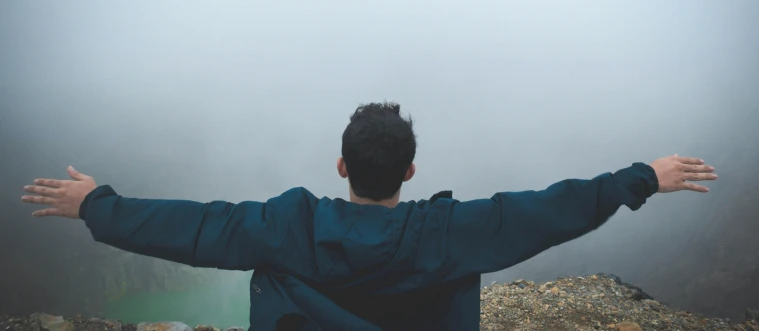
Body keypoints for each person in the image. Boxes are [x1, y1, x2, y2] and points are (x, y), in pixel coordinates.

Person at [21, 102, 717, 331]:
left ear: (341, 165)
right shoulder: (451, 232)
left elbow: (195, 227)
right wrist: (641, 179)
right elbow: (549, 211)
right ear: (411, 172)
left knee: (257, 260)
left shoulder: (285, 225)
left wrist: (96, 207)